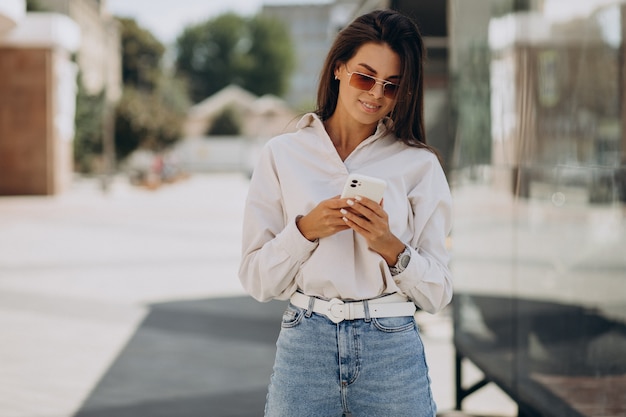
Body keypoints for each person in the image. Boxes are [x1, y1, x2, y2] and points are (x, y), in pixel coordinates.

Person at [238, 9, 452, 417]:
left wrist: (391, 247)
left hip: (391, 347)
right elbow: (256, 279)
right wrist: (304, 232)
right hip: (306, 347)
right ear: (338, 68)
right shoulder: (282, 155)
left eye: (391, 86)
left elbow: (439, 292)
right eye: (364, 77)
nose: (375, 94)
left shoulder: (419, 164)